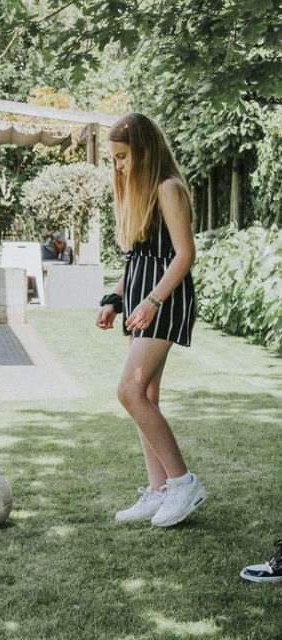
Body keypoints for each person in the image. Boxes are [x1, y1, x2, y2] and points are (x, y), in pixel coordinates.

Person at [95, 113, 205, 527]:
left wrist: (154, 301)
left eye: (123, 157)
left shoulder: (168, 188)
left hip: (165, 300)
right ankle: (158, 490)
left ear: (144, 149)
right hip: (142, 300)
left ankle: (182, 482)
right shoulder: (139, 194)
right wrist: (115, 297)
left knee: (129, 390)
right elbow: (136, 257)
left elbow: (184, 254)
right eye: (115, 159)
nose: (119, 166)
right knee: (146, 395)